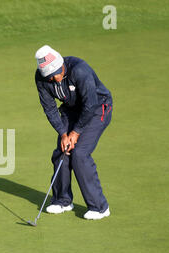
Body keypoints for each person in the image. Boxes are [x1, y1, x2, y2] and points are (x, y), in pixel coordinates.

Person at [34, 45, 113, 220]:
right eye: (49, 76)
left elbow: (90, 104)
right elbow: (50, 109)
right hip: (71, 111)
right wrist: (63, 133)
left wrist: (76, 132)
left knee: (80, 154)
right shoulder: (41, 78)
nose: (54, 78)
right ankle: (62, 200)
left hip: (98, 108)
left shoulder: (80, 70)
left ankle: (100, 207)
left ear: (62, 64)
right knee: (63, 151)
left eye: (56, 73)